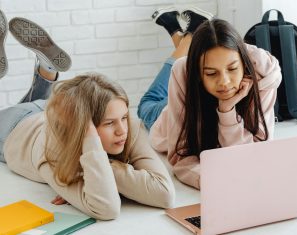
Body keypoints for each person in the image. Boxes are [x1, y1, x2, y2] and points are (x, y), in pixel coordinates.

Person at [0, 11, 175, 220]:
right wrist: (93, 166)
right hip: (14, 128)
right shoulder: (54, 149)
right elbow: (108, 209)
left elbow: (165, 195)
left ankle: (47, 70)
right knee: (28, 106)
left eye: (124, 118)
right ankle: (46, 70)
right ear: (85, 126)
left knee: (33, 102)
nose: (122, 131)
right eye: (109, 123)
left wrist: (92, 172)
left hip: (49, 109)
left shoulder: (129, 128)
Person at [137, 7, 282, 189]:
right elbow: (181, 159)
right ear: (199, 74)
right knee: (146, 105)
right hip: (178, 107)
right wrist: (216, 182)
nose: (225, 82)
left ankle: (186, 38)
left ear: (244, 64)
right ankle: (187, 39)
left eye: (232, 69)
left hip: (201, 89)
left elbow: (253, 155)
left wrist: (227, 110)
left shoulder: (263, 77)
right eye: (211, 73)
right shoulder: (183, 73)